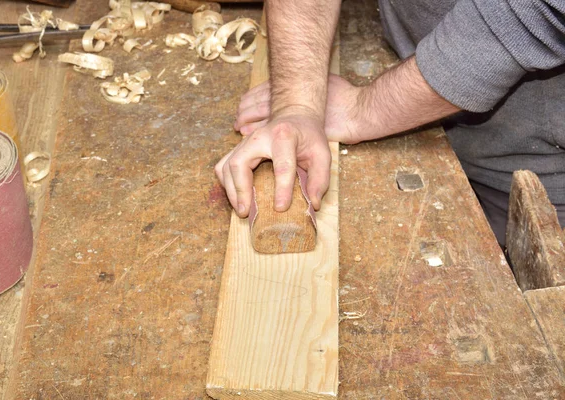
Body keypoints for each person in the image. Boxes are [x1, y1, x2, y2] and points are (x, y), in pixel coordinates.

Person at [215, 0, 565, 247]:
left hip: (542, 162)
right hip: (427, 86)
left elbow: (533, 9)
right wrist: (297, 104)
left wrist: (363, 109)